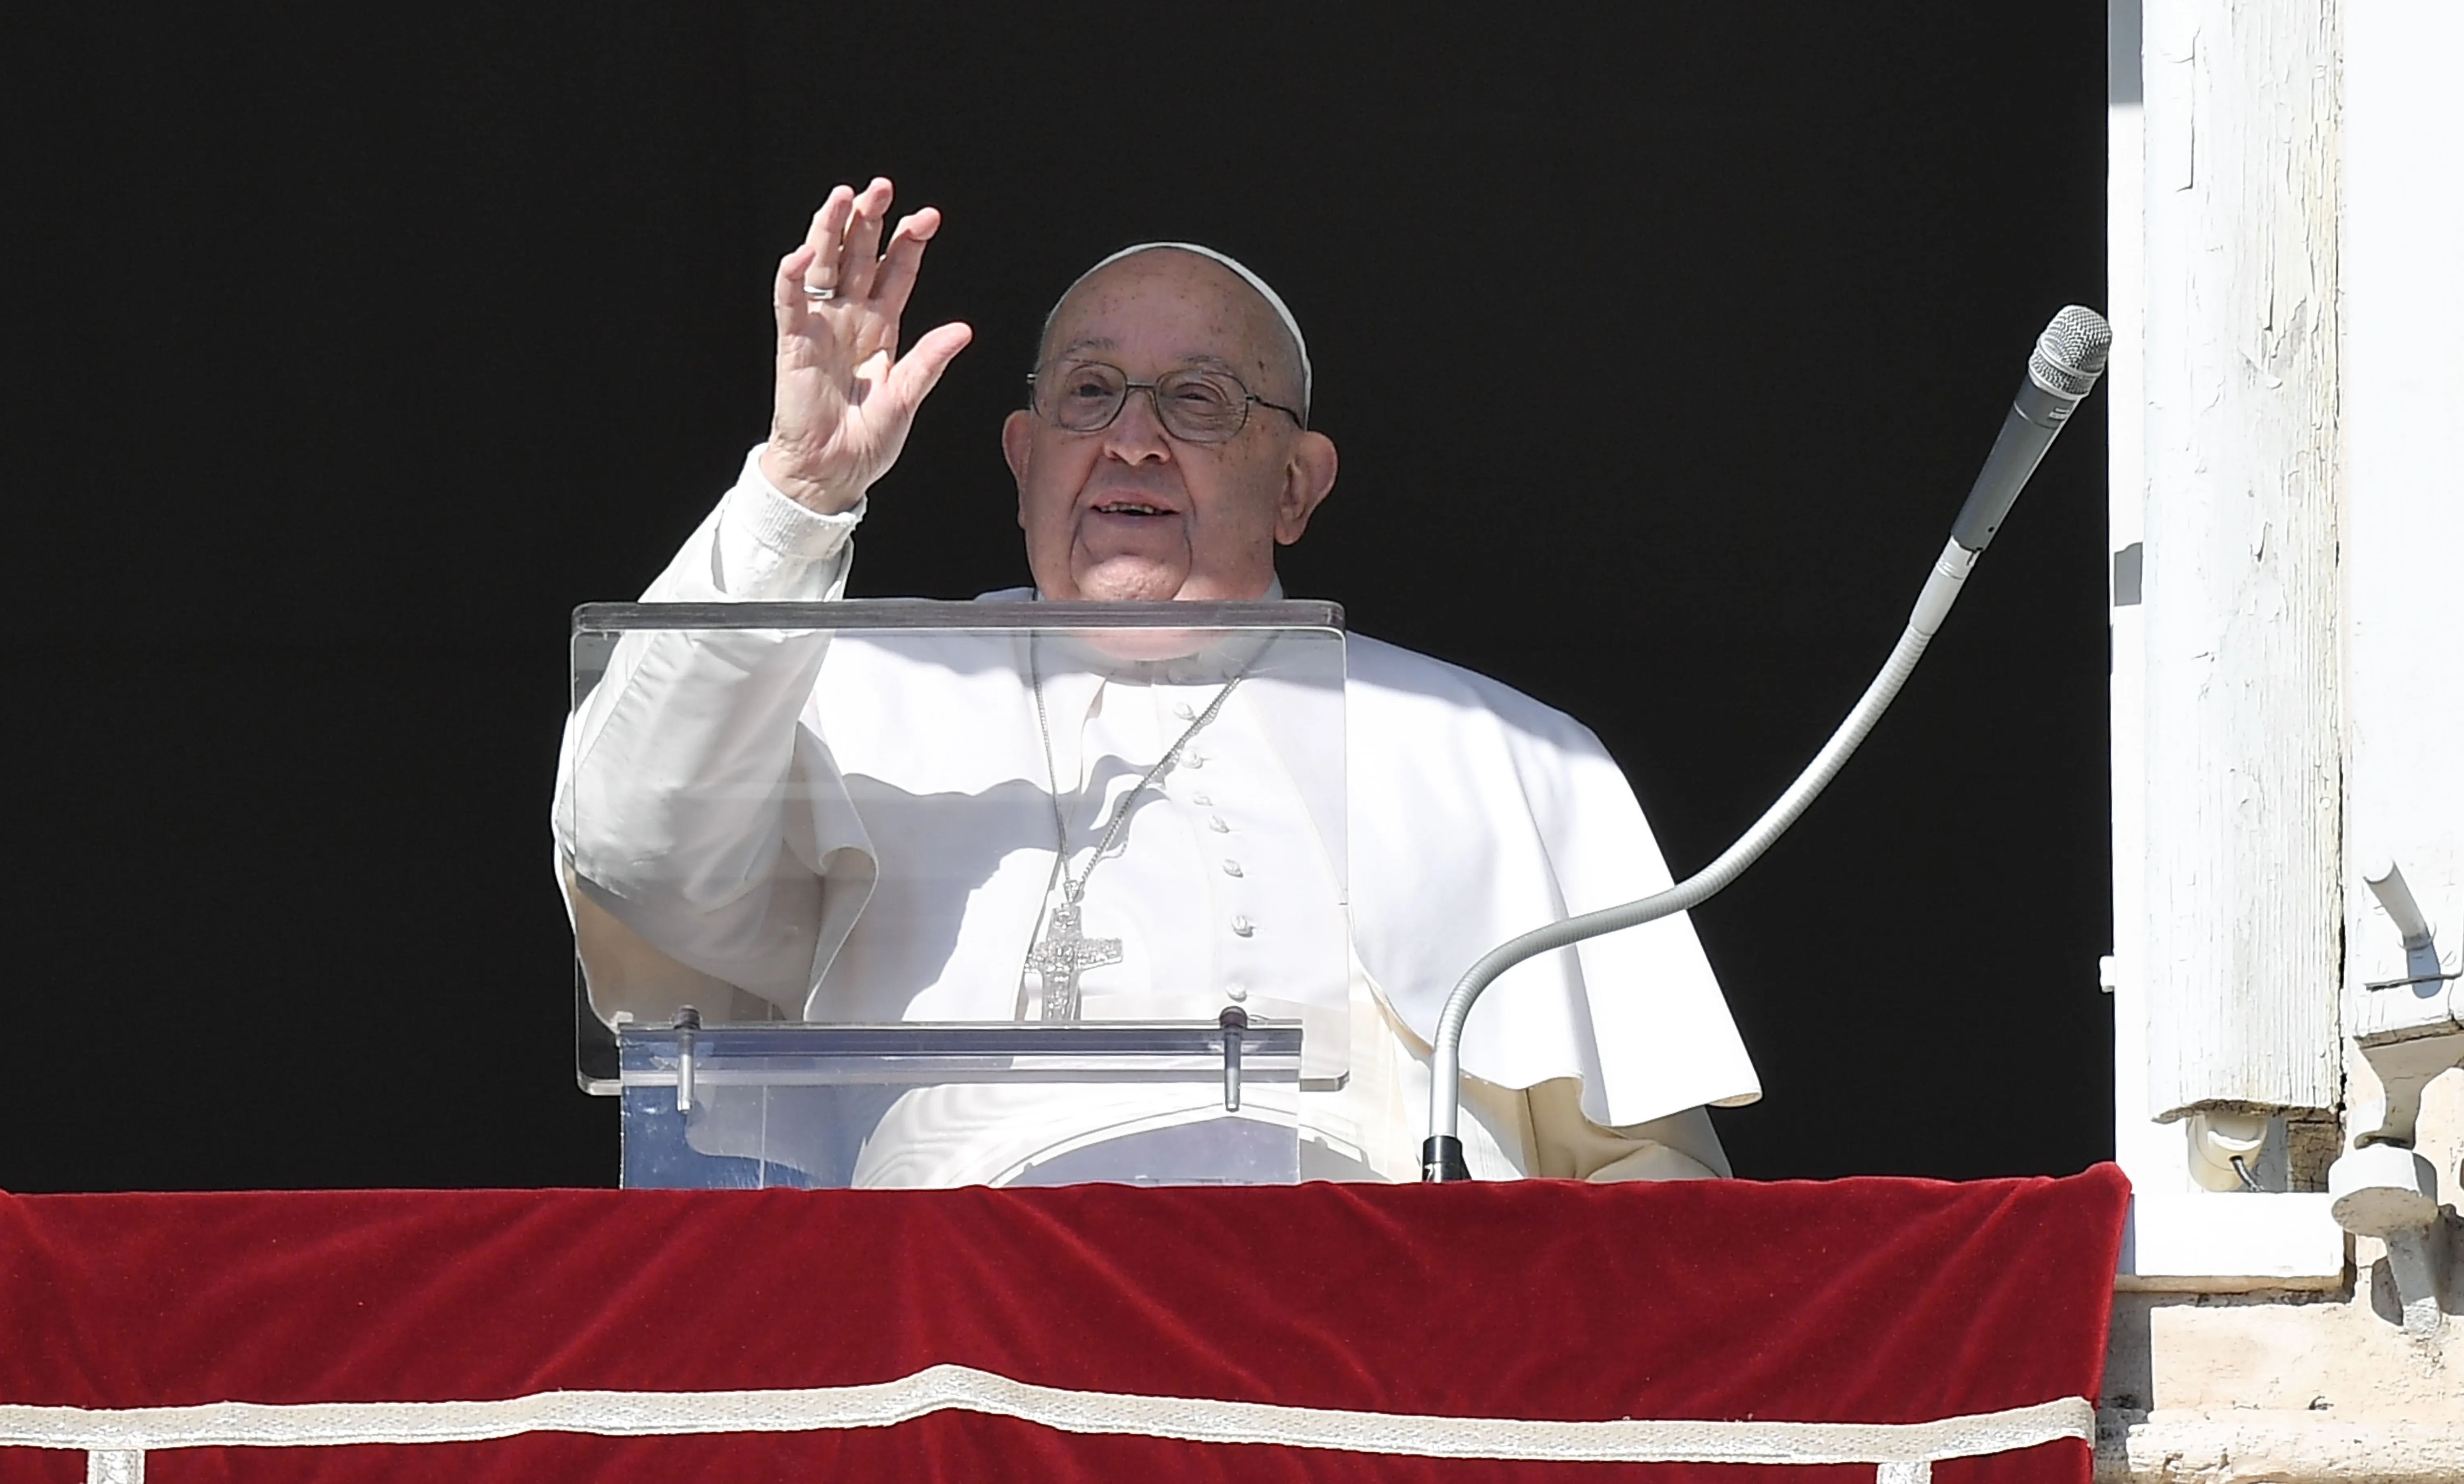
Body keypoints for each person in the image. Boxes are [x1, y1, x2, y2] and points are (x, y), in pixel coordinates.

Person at [557, 178, 1758, 1185]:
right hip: (961, 1335)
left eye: (1197, 400)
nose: (1132, 438)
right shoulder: (850, 686)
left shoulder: (1501, 752)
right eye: (1088, 392)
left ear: (1296, 483)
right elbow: (635, 850)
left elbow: (1640, 1182)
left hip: (1379, 1333)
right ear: (1025, 460)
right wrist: (797, 492)